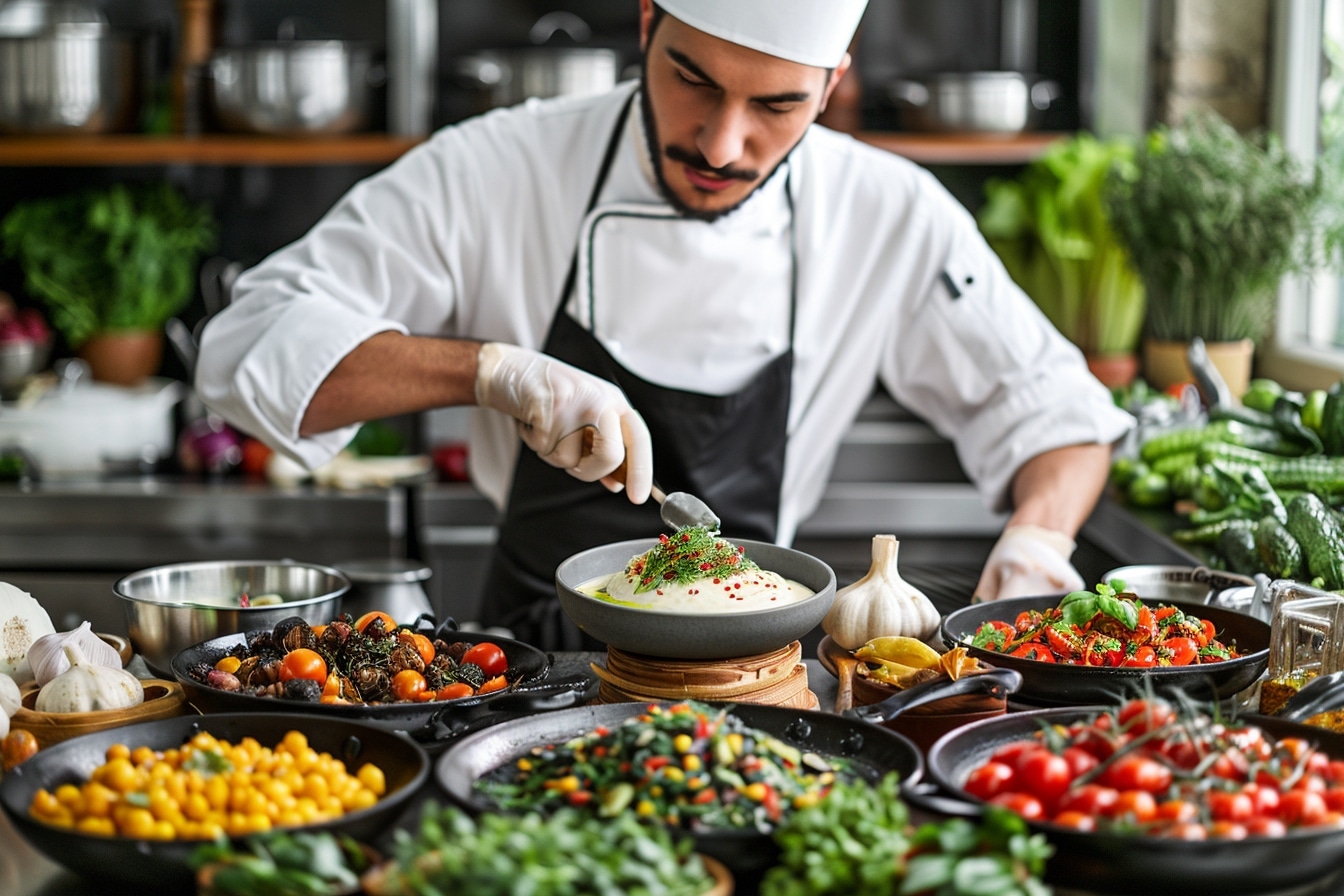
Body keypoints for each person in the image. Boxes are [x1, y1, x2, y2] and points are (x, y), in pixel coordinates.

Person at [196, 0, 1135, 649]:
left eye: (777, 104)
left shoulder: (887, 210)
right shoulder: (497, 166)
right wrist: (490, 372)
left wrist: (1037, 542)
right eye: (692, 80)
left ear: (833, 80)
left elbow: (1058, 415)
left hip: (758, 673)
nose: (722, 145)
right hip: (526, 670)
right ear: (647, 24)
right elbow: (247, 352)